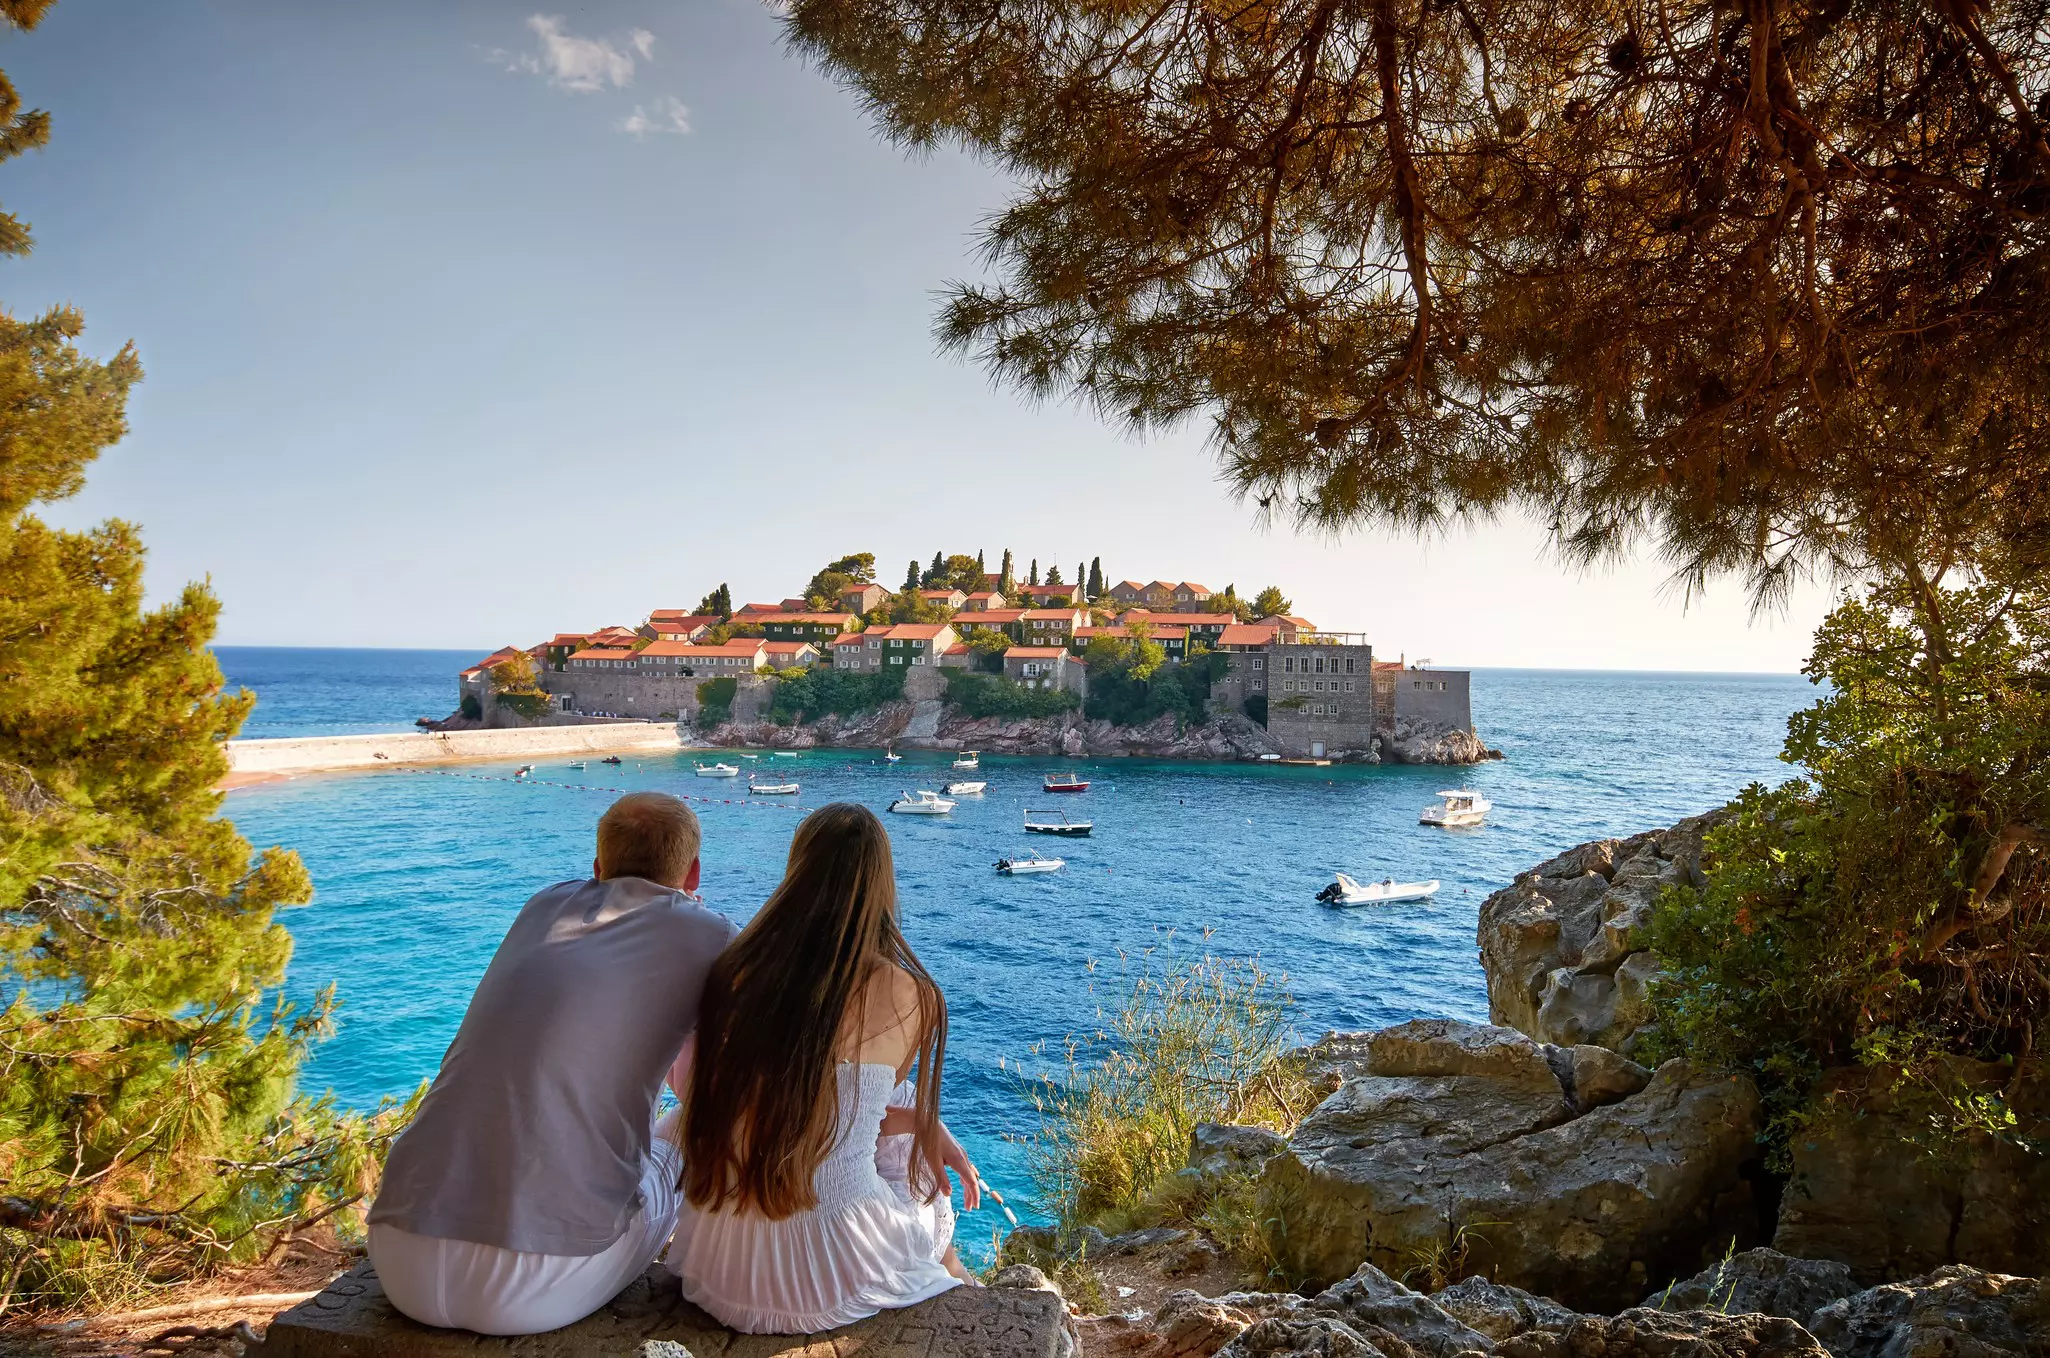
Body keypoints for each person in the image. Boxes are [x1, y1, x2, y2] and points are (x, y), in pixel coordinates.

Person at [367, 792, 735, 1335]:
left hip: (398, 1254)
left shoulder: (543, 906)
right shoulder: (712, 936)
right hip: (540, 1284)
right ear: (694, 871)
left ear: (597, 867)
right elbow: (721, 1083)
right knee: (682, 1132)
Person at [666, 802, 980, 1333]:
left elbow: (819, 1104)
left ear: (797, 872)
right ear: (882, 885)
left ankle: (950, 1274)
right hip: (833, 1275)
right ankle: (956, 1281)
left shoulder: (735, 970)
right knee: (905, 1124)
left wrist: (927, 1124)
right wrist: (928, 1125)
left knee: (896, 1110)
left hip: (719, 1264)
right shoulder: (914, 994)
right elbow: (862, 1114)